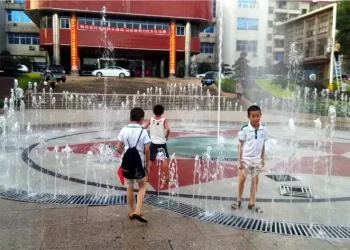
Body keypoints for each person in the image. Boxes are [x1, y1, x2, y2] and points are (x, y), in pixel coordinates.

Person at [231, 105, 267, 213]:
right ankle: (238, 200)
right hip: (245, 159)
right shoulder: (245, 129)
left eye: (258, 116)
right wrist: (239, 160)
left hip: (257, 160)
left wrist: (262, 158)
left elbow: (263, 144)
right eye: (253, 116)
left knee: (254, 182)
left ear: (261, 115)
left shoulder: (264, 129)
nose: (256, 118)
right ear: (248, 117)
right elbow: (240, 145)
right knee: (242, 180)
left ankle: (252, 203)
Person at [116, 107, 151, 223]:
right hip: (139, 164)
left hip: (126, 164)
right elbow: (147, 150)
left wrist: (126, 155)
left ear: (130, 117)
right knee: (142, 185)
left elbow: (118, 148)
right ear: (142, 119)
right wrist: (147, 165)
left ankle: (131, 211)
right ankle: (138, 210)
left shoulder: (124, 130)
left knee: (129, 187)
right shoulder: (143, 131)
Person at [143, 104, 170, 184]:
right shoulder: (164, 120)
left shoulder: (151, 119)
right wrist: (166, 136)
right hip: (162, 143)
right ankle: (166, 178)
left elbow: (144, 127)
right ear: (163, 112)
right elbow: (168, 129)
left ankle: (146, 177)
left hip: (153, 143)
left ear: (153, 111)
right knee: (164, 159)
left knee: (150, 160)